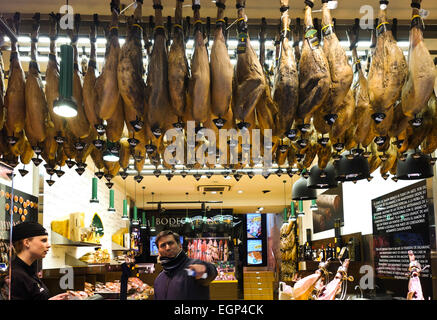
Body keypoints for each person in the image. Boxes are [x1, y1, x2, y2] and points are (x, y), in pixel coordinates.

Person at [10, 222, 69, 300]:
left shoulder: (30, 271)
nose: (48, 245)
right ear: (27, 242)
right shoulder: (15, 275)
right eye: (44, 240)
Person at [153, 230, 217, 300]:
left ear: (180, 245)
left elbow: (208, 275)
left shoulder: (190, 270)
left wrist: (206, 270)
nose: (167, 248)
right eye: (163, 245)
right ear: (159, 251)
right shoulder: (159, 280)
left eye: (170, 243)